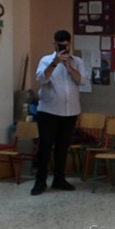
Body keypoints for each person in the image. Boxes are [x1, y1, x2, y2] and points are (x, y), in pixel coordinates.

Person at [31, 30, 88, 195]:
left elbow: (82, 81)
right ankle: (40, 181)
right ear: (55, 44)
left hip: (70, 112)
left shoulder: (77, 61)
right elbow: (41, 78)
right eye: (61, 44)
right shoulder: (46, 60)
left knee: (63, 147)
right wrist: (55, 63)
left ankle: (59, 179)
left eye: (67, 44)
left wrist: (69, 67)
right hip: (48, 111)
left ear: (70, 44)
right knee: (45, 145)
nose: (64, 47)